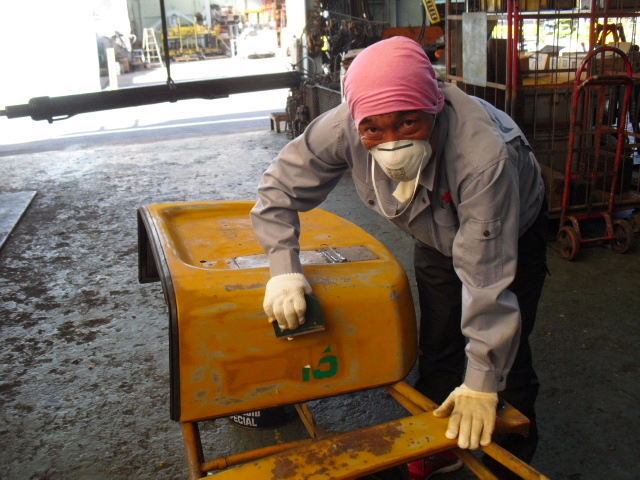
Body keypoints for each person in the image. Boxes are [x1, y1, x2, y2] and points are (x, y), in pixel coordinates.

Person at [250, 36, 548, 479]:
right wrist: (283, 270)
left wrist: (482, 382)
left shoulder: (483, 159)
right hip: (434, 229)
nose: (391, 143)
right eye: (374, 130)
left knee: (508, 351)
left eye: (408, 123)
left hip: (507, 228)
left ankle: (512, 460)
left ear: (435, 108)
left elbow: (486, 280)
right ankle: (438, 442)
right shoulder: (346, 124)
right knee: (440, 336)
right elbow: (277, 191)